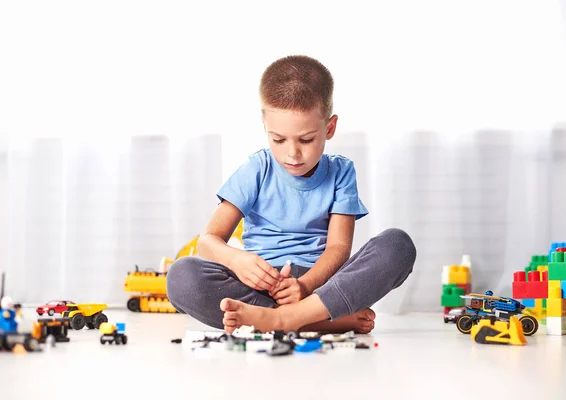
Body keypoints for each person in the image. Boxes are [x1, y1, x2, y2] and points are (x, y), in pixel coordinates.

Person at [166, 55, 416, 334]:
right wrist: (237, 260)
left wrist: (306, 286)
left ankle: (286, 319)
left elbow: (338, 248)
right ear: (265, 127)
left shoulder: (341, 172)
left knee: (397, 245)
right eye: (278, 139)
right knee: (181, 276)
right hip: (259, 287)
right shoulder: (256, 169)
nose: (292, 154)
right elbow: (208, 242)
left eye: (306, 140)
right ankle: (311, 321)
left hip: (319, 289)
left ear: (329, 128)